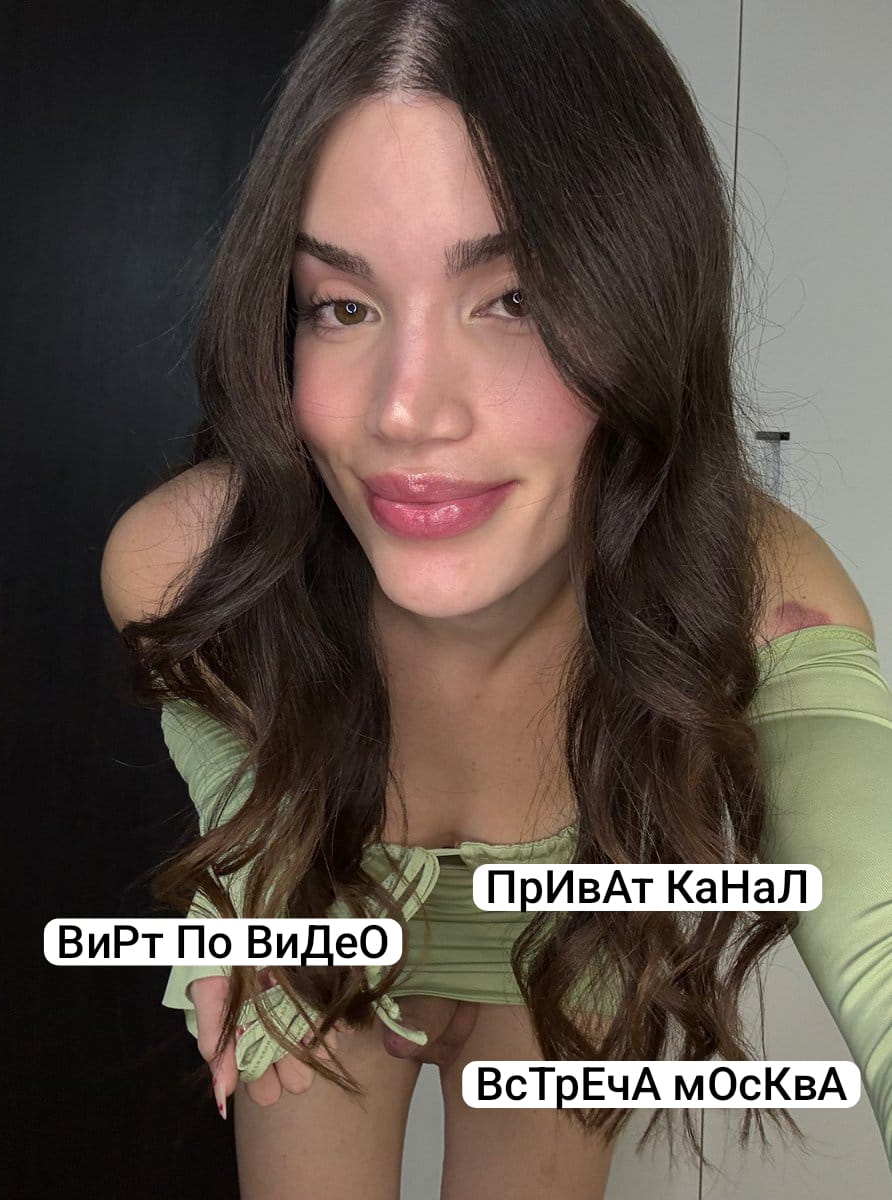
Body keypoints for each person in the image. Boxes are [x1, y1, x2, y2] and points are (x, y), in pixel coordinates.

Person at [100, 1, 892, 1195]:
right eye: (343, 305)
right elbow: (214, 713)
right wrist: (254, 865)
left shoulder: (762, 584)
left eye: (513, 298)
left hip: (573, 948)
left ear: (645, 303)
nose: (406, 410)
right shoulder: (186, 555)